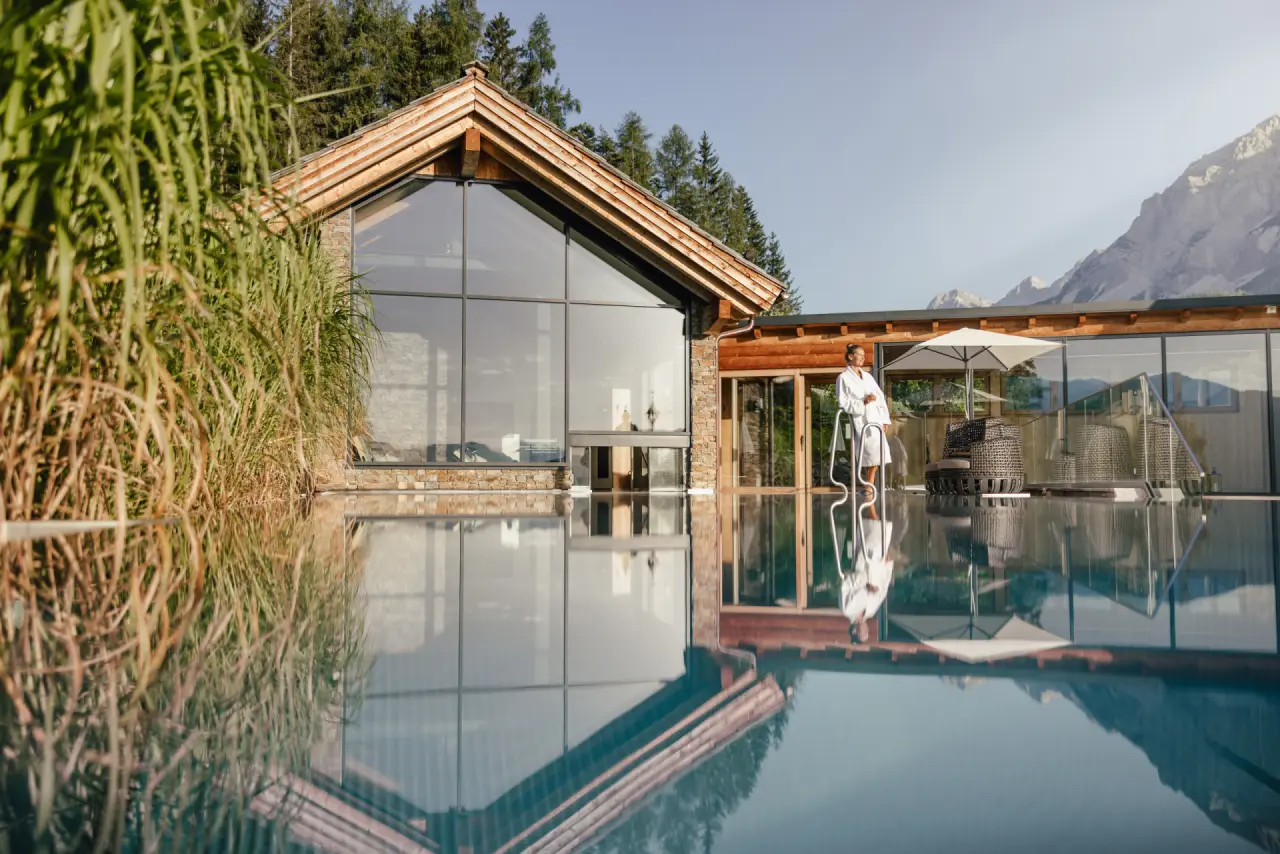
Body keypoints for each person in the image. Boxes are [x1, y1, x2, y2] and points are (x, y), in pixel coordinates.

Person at [837, 344, 892, 496]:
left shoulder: (868, 377)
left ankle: (869, 487)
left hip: (875, 419)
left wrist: (884, 419)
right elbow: (843, 403)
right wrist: (863, 402)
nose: (862, 357)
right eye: (859, 355)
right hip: (861, 420)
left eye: (863, 355)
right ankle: (869, 487)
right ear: (850, 356)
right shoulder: (843, 378)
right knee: (868, 455)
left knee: (877, 454)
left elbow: (880, 397)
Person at [841, 502, 895, 643]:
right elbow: (882, 590)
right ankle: (869, 496)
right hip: (878, 564)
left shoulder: (847, 609)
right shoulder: (870, 611)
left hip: (864, 562)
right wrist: (888, 566)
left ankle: (869, 495)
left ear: (854, 631)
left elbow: (845, 584)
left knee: (875, 528)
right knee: (879, 529)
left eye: (863, 633)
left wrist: (865, 583)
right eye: (867, 632)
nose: (866, 630)